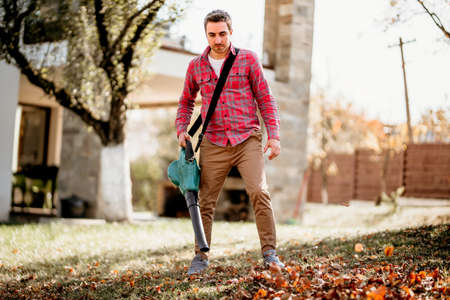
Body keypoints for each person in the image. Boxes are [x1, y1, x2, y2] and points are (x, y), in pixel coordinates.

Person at [175, 9, 284, 275]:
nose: (218, 39)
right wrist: (181, 129)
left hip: (247, 138)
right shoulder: (196, 66)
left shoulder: (247, 59)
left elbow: (265, 99)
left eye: (222, 33)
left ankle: (270, 254)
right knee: (205, 201)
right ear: (206, 35)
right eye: (212, 34)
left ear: (231, 32)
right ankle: (200, 256)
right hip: (213, 141)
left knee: (259, 191)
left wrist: (274, 135)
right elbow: (186, 101)